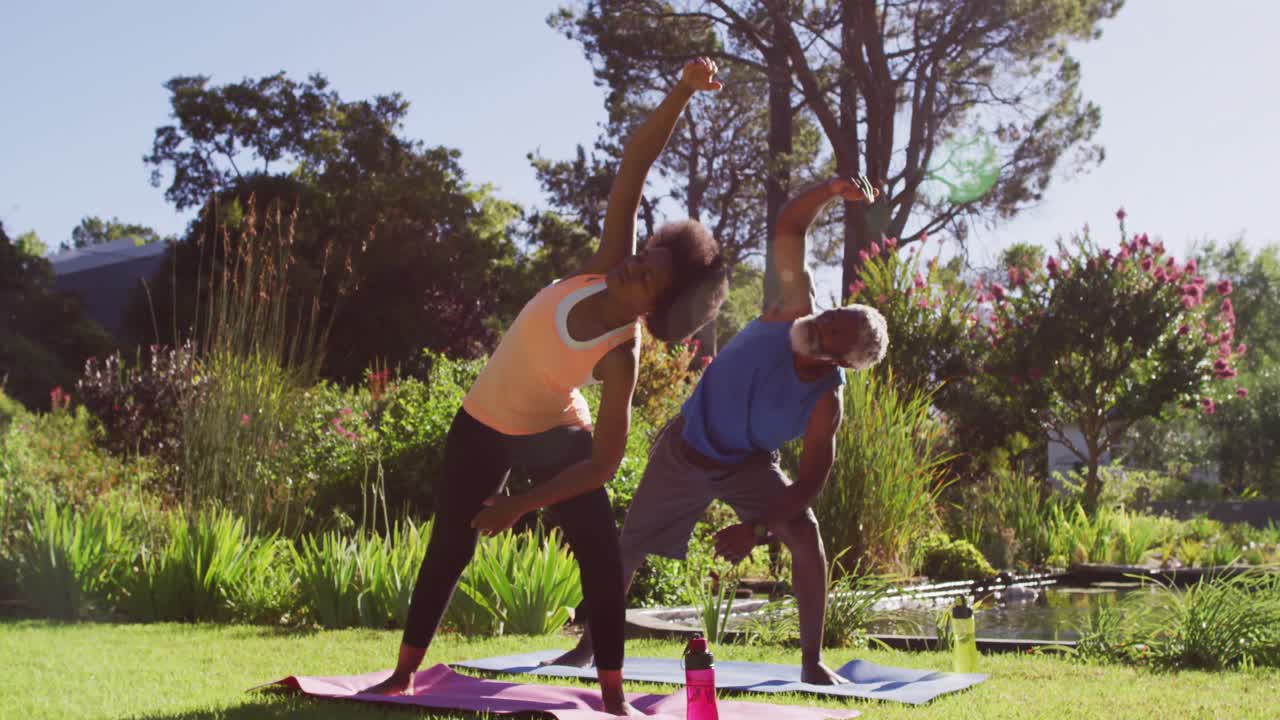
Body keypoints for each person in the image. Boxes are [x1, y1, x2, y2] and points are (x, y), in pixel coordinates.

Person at [363, 58, 729, 715]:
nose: (632, 265)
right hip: (482, 420)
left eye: (647, 275)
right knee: (451, 542)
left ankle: (612, 696)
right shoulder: (602, 265)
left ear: (657, 308)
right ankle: (402, 675)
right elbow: (635, 165)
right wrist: (680, 90)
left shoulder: (621, 355)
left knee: (600, 554)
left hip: (553, 433)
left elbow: (606, 462)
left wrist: (521, 504)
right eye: (643, 255)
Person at [546, 175, 887, 685]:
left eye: (831, 333)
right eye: (830, 315)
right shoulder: (793, 307)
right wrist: (833, 190)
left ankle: (812, 662)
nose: (820, 324)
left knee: (805, 534)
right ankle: (586, 648)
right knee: (628, 548)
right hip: (684, 448)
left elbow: (810, 482)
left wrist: (756, 530)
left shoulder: (825, 402)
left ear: (840, 360)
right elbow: (790, 226)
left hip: (747, 464)